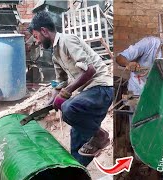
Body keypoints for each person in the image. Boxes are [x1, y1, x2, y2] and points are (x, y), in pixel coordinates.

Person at [28, 11, 113, 166]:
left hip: (102, 88)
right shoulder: (55, 54)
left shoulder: (67, 41)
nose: (37, 41)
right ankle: (78, 172)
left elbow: (90, 70)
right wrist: (50, 102)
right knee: (78, 142)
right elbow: (60, 82)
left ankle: (101, 135)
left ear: (44, 31)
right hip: (88, 94)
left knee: (68, 108)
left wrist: (67, 91)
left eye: (36, 36)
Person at [116, 21, 163, 95]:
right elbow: (119, 57)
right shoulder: (149, 43)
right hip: (137, 89)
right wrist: (128, 64)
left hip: (156, 92)